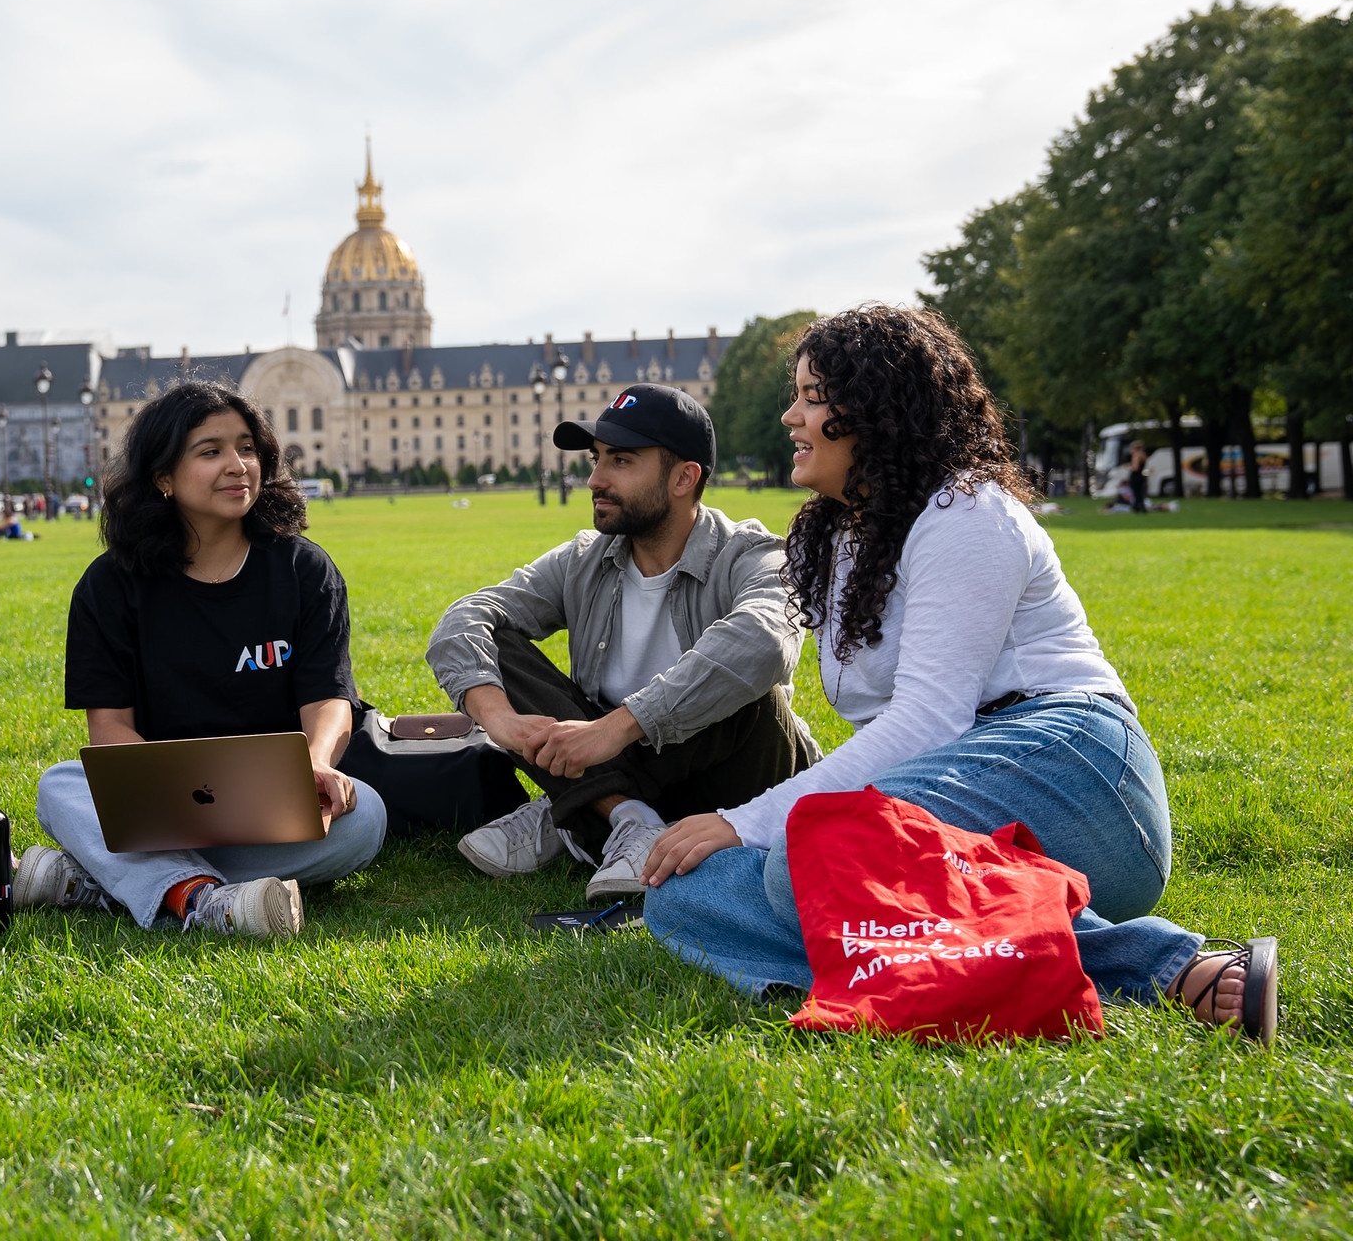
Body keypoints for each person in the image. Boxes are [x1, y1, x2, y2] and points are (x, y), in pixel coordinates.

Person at [639, 305, 1273, 1041]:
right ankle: (937, 969)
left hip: (1073, 770)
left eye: (813, 397)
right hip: (953, 824)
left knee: (804, 859)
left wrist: (741, 821)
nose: (791, 415)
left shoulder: (966, 512)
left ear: (875, 410)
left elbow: (925, 725)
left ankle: (1162, 966)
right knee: (682, 897)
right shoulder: (839, 536)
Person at [16, 380, 386, 938]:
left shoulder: (303, 570)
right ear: (163, 478)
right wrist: (171, 795)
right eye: (210, 451)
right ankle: (204, 900)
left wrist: (317, 763)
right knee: (61, 785)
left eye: (246, 448)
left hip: (271, 800)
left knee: (367, 820)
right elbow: (110, 730)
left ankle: (99, 877)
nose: (238, 465)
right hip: (163, 801)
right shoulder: (110, 585)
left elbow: (328, 696)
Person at [426, 383, 818, 902]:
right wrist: (500, 721)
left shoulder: (750, 553)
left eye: (621, 461)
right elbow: (467, 616)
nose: (595, 480)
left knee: (751, 689)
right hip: (620, 766)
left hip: (735, 784)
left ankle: (578, 810)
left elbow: (765, 640)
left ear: (684, 477)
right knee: (495, 636)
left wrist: (618, 728)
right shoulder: (587, 558)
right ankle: (626, 818)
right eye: (596, 459)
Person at [1127, 442, 1150, 513]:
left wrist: (1128, 467)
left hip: (1135, 476)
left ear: (1135, 449)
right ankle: (1140, 507)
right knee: (1140, 493)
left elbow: (1135, 468)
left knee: (1136, 493)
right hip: (1141, 476)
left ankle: (1137, 508)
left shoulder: (1136, 456)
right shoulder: (1143, 455)